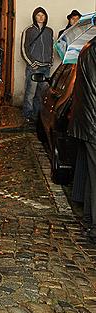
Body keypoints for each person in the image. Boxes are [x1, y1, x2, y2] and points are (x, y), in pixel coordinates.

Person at [70, 38, 96, 243]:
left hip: (87, 121)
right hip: (93, 121)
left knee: (91, 174)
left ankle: (89, 220)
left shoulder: (88, 48)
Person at [21, 7, 54, 122]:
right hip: (34, 67)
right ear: (34, 17)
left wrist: (50, 61)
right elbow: (23, 49)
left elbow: (51, 46)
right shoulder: (28, 30)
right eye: (38, 15)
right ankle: (27, 115)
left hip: (46, 67)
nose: (41, 17)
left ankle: (37, 115)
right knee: (30, 93)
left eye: (43, 15)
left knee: (42, 93)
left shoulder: (49, 31)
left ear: (45, 17)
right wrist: (32, 63)